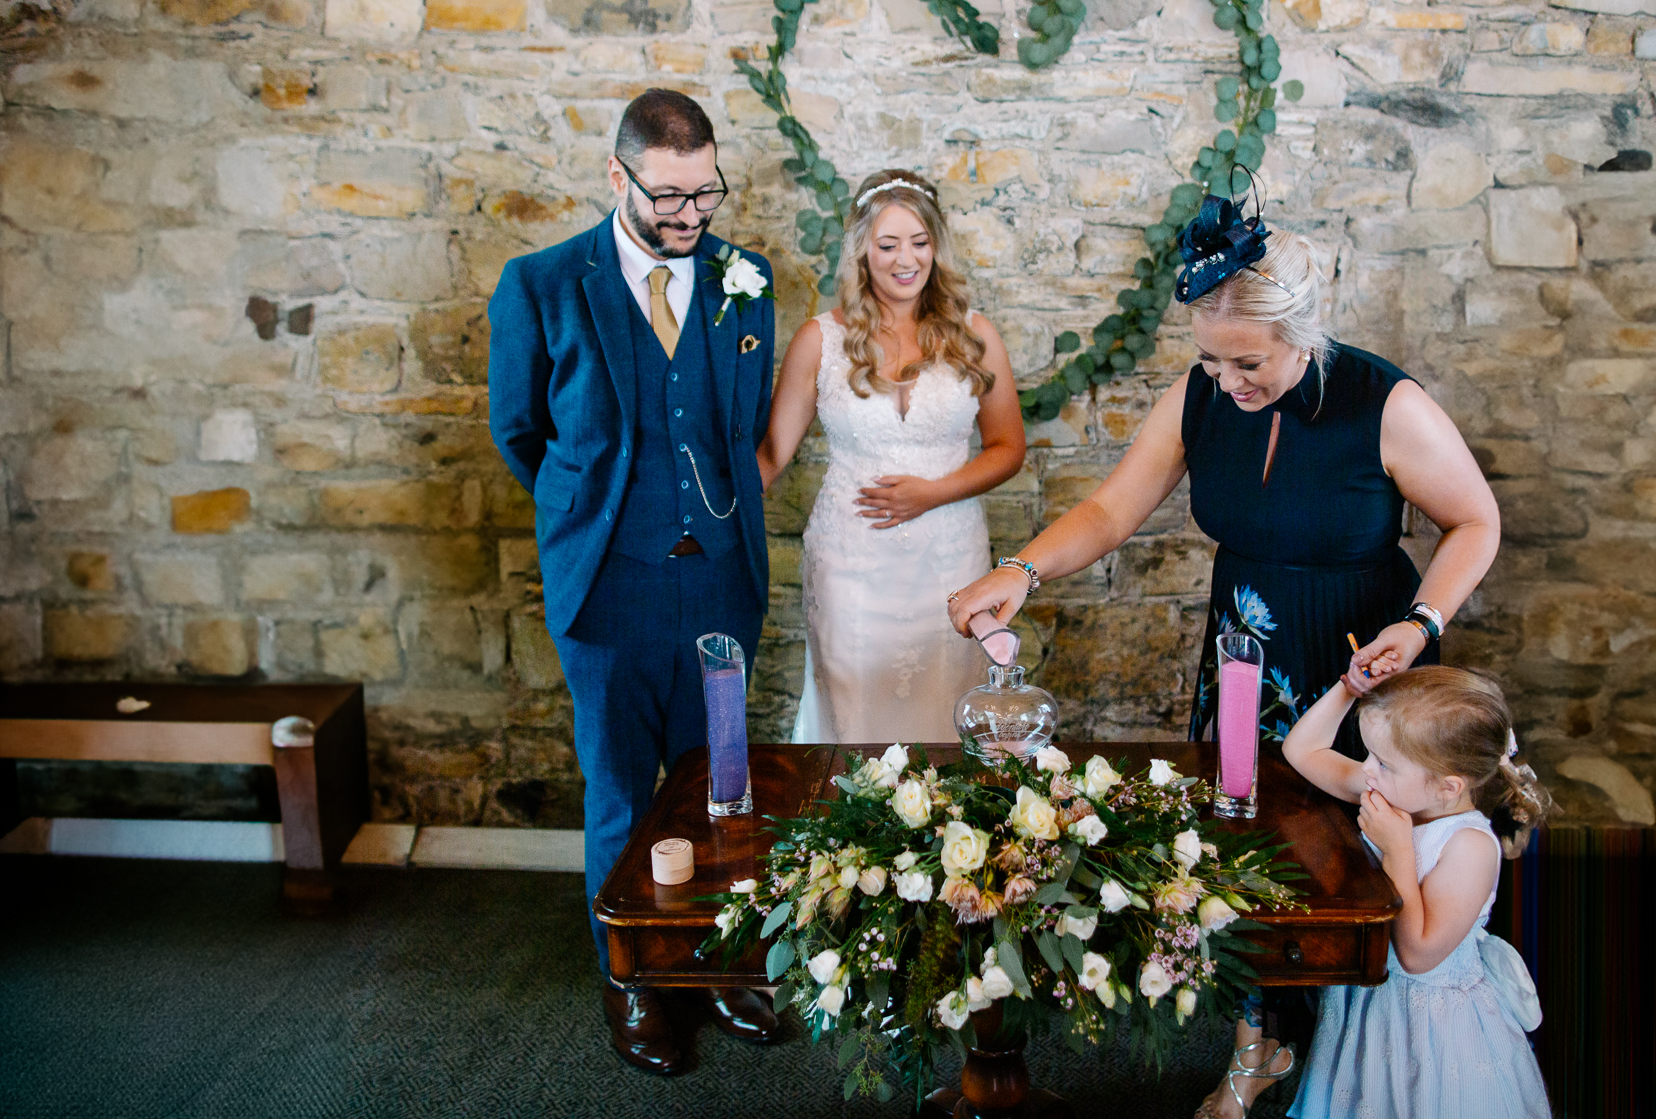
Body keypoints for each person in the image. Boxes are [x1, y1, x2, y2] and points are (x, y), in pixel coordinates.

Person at [944, 193, 1502, 1115]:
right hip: (1243, 658)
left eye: (1248, 362)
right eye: (1208, 357)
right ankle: (1257, 1048)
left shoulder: (1384, 403)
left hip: (1363, 664)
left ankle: (1380, 1051)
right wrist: (1021, 570)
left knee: (1356, 858)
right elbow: (1111, 511)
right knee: (1242, 851)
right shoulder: (1201, 393)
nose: (1226, 380)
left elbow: (1475, 521)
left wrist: (1425, 622)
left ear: (1303, 336)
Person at [488, 89, 780, 1074]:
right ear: (618, 176)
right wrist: (600, 520)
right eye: (668, 195)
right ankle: (636, 981)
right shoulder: (539, 284)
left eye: (705, 192)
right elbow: (521, 433)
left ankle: (723, 961)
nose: (690, 215)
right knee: (619, 793)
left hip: (721, 592)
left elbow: (737, 429)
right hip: (605, 593)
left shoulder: (750, 280)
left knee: (722, 793)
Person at [759, 169, 1025, 744]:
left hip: (949, 558)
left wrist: (932, 493)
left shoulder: (975, 335)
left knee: (948, 706)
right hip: (851, 563)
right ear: (862, 251)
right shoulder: (821, 340)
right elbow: (773, 454)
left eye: (920, 243)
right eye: (888, 245)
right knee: (854, 716)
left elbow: (1008, 449)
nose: (907, 259)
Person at [1281, 666, 1553, 1118]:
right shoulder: (1393, 792)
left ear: (1448, 786)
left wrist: (1398, 851)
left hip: (1432, 1024)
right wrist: (1349, 689)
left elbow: (1419, 954)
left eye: (1382, 762)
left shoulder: (1469, 845)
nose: (1367, 770)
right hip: (1373, 1003)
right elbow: (1303, 750)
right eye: (1369, 755)